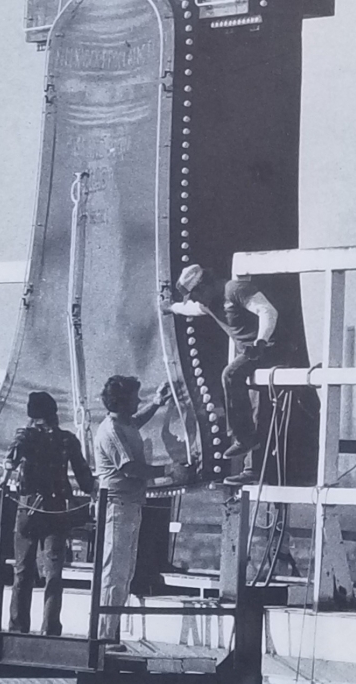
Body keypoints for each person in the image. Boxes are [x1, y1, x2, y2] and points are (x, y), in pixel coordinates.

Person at [164, 265, 278, 485]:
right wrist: (171, 308)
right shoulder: (208, 304)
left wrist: (261, 341)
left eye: (195, 294)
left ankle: (244, 438)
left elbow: (267, 311)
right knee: (254, 403)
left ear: (204, 285)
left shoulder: (234, 289)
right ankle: (250, 458)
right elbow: (191, 310)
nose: (196, 300)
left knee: (230, 374)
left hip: (268, 347)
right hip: (251, 353)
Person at [3, 390, 95, 637]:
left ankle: (17, 629)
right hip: (56, 509)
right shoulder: (67, 440)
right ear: (54, 414)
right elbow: (85, 479)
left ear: (32, 415)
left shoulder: (25, 436)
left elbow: (10, 462)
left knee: (22, 572)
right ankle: (50, 629)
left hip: (29, 508)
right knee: (54, 573)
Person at [93, 375, 173, 651]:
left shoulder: (122, 423)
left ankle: (109, 631)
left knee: (123, 571)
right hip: (117, 505)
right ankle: (104, 635)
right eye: (134, 398)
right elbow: (131, 468)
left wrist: (156, 404)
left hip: (129, 504)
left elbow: (135, 422)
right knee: (114, 571)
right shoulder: (111, 431)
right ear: (122, 401)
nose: (137, 401)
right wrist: (168, 471)